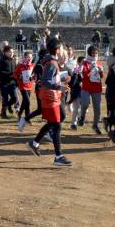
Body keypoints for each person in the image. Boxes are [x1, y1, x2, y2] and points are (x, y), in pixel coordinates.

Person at [26, 37, 72, 167]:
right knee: (56, 125)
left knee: (54, 123)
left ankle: (34, 143)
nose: (63, 51)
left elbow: (50, 79)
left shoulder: (51, 61)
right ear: (57, 50)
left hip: (51, 96)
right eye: (62, 48)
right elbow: (46, 82)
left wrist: (61, 80)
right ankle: (58, 156)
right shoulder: (52, 63)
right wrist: (59, 87)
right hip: (49, 97)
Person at [78, 46, 104, 134]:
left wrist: (101, 71)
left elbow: (101, 77)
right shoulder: (85, 62)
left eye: (96, 53)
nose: (94, 55)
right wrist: (90, 69)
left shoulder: (99, 63)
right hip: (86, 87)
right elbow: (84, 75)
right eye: (93, 53)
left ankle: (95, 125)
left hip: (97, 88)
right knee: (84, 104)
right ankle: (82, 117)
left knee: (98, 109)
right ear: (89, 53)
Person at [15, 51, 35, 124]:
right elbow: (15, 74)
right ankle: (27, 117)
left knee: (25, 101)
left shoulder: (33, 65)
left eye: (30, 57)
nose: (29, 59)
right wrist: (19, 76)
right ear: (24, 57)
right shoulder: (20, 66)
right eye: (28, 57)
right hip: (22, 86)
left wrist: (33, 77)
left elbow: (34, 75)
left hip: (30, 86)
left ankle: (20, 114)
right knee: (28, 101)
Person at [0, 46, 17, 118]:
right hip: (4, 83)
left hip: (12, 83)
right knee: (5, 99)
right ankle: (3, 113)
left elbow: (15, 71)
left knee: (15, 98)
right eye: (10, 52)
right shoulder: (2, 60)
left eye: (12, 52)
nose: (11, 53)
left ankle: (8, 106)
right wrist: (10, 74)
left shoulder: (13, 60)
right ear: (5, 52)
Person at [67, 56, 84, 129]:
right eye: (82, 63)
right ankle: (73, 123)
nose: (83, 64)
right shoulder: (75, 71)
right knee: (76, 109)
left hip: (85, 92)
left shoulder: (87, 71)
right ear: (78, 63)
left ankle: (80, 119)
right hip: (76, 92)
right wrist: (77, 75)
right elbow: (72, 84)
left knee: (83, 108)